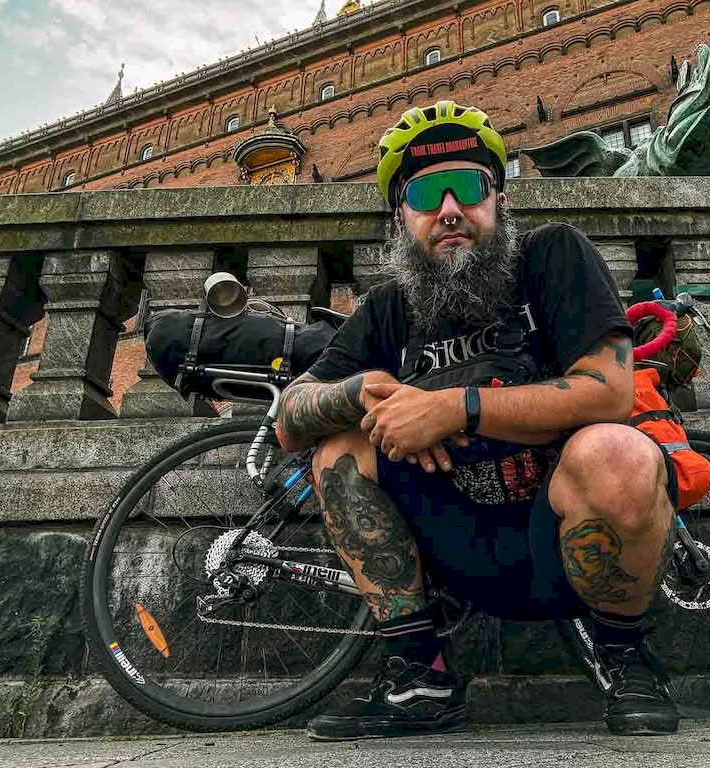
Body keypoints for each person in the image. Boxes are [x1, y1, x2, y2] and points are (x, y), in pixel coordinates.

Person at [275, 101, 679, 741]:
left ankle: (625, 657)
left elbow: (608, 392)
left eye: (467, 188)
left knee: (618, 451)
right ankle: (418, 674)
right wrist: (366, 392)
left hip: (562, 531)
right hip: (454, 547)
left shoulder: (552, 258)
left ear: (497, 200)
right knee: (340, 446)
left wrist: (452, 406)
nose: (450, 211)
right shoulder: (386, 310)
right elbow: (289, 418)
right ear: (401, 219)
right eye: (426, 196)